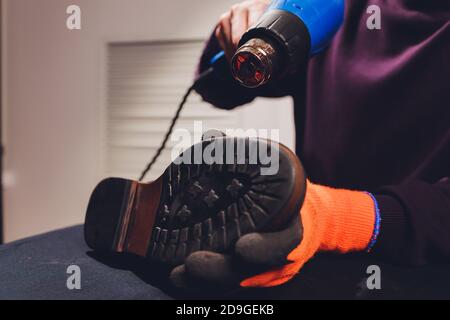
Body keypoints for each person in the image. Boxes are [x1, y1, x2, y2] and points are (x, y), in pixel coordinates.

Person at [169, 0, 450, 289]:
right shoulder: (338, 9)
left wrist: (336, 220)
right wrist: (235, 38)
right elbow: (219, 90)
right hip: (299, 243)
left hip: (419, 264)